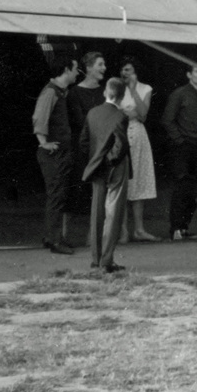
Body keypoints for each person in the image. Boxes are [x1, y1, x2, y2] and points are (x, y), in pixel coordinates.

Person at [79, 77, 130, 273]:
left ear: (105, 92)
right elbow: (121, 144)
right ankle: (106, 260)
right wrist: (111, 160)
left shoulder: (92, 113)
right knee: (113, 213)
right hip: (115, 166)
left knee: (97, 212)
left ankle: (95, 258)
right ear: (122, 96)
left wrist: (95, 159)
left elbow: (83, 142)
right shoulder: (120, 116)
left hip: (95, 165)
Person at [32, 56, 80, 255]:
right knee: (56, 196)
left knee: (58, 195)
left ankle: (52, 237)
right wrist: (43, 142)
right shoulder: (51, 91)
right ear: (67, 69)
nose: (78, 73)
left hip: (60, 152)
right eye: (76, 69)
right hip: (54, 154)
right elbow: (39, 116)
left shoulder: (60, 91)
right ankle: (54, 241)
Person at [161, 64, 197, 241]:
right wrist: (180, 141)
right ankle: (175, 229)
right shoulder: (179, 94)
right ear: (189, 75)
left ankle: (184, 227)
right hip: (183, 147)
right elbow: (167, 120)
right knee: (182, 187)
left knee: (194, 188)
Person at [65, 51, 107, 245]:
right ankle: (64, 234)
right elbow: (79, 121)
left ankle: (93, 235)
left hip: (101, 147)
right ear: (88, 68)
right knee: (75, 189)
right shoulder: (74, 93)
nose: (103, 68)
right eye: (100, 64)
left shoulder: (105, 91)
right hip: (82, 147)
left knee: (97, 191)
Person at [118, 57, 160, 242]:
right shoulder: (115, 87)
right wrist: (129, 112)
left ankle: (139, 229)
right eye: (124, 70)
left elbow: (142, 114)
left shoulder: (145, 88)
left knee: (138, 181)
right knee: (121, 182)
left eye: (130, 70)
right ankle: (122, 230)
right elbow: (114, 112)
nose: (127, 73)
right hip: (119, 134)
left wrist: (134, 91)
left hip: (138, 134)